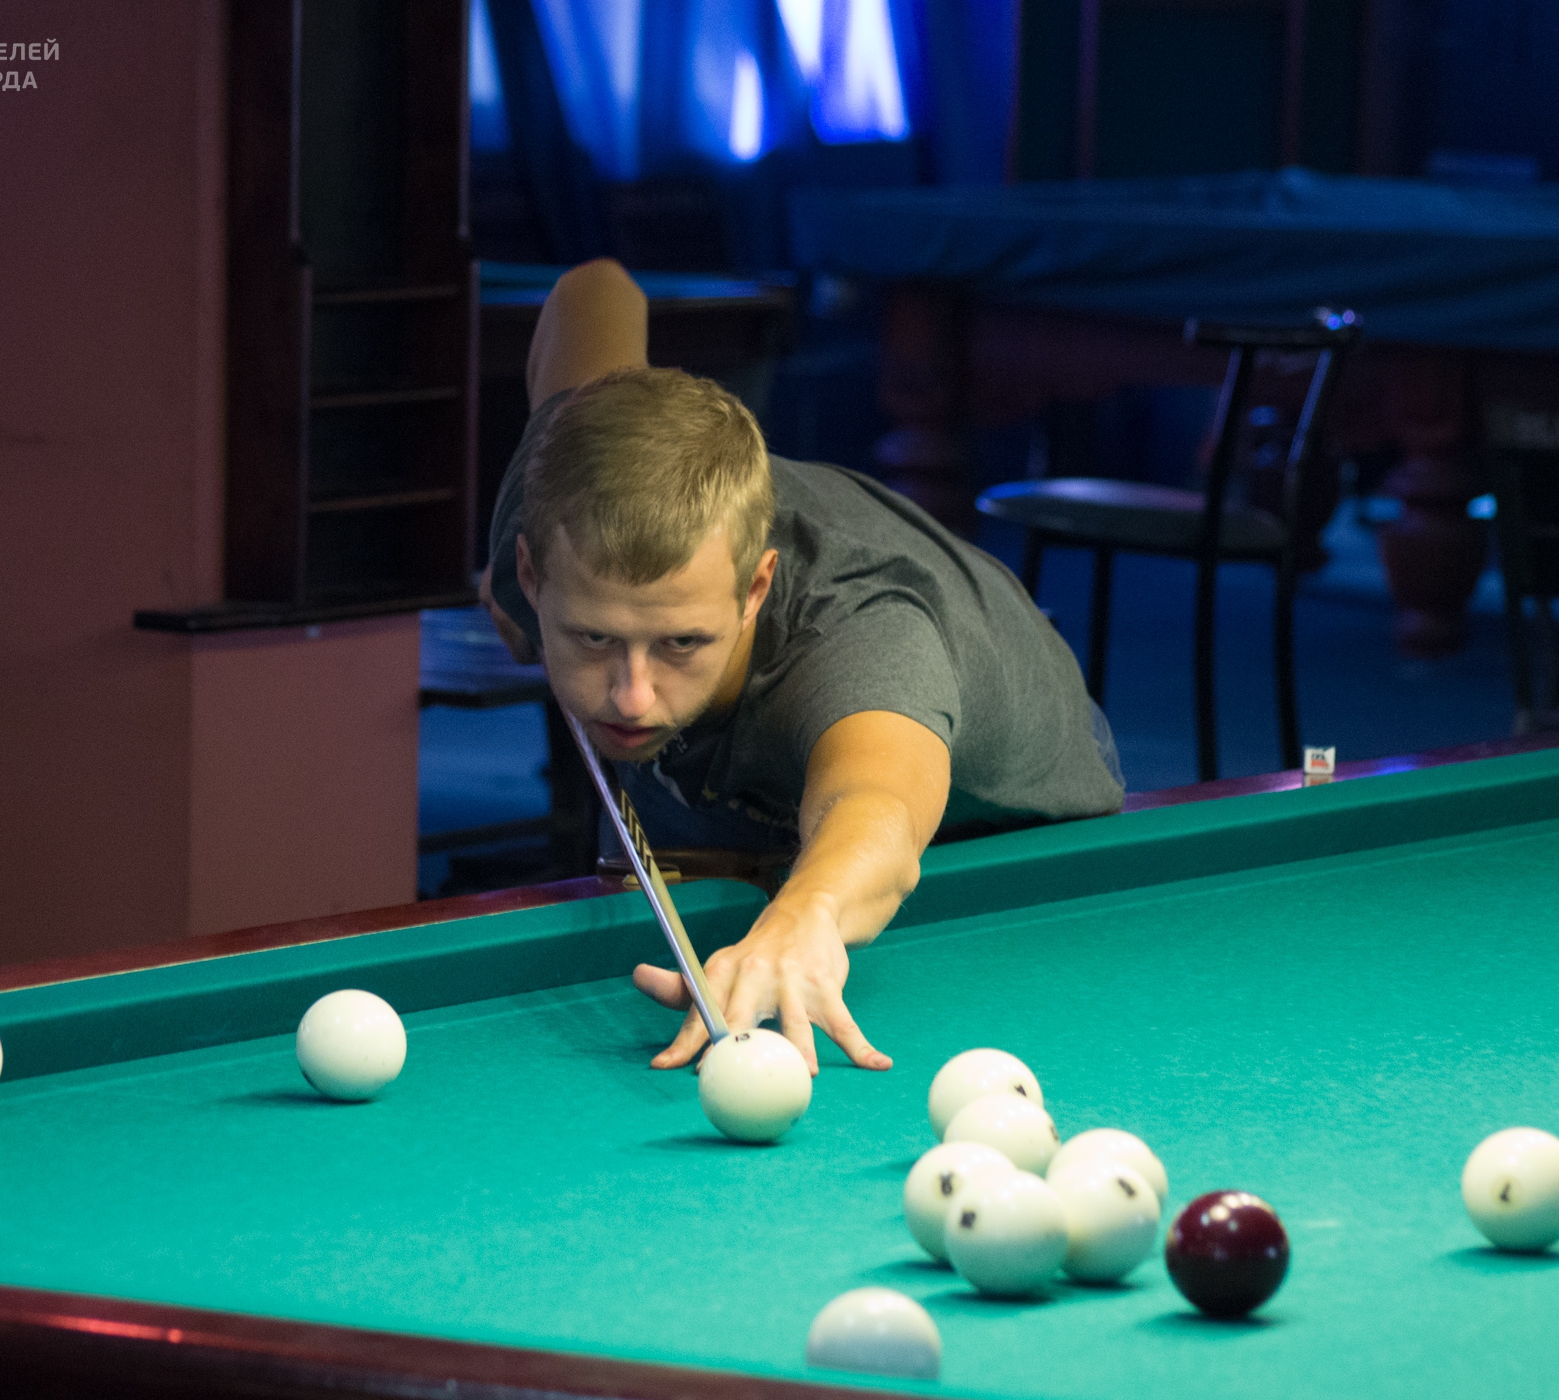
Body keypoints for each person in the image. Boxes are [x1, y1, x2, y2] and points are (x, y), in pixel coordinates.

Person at [480, 259, 1123, 1076]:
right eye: (595, 637)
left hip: (995, 834)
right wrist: (520, 606)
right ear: (534, 572)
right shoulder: (560, 491)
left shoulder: (859, 631)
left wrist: (808, 910)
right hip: (739, 798)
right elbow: (599, 288)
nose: (631, 697)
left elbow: (877, 805)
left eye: (681, 642)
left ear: (755, 588)